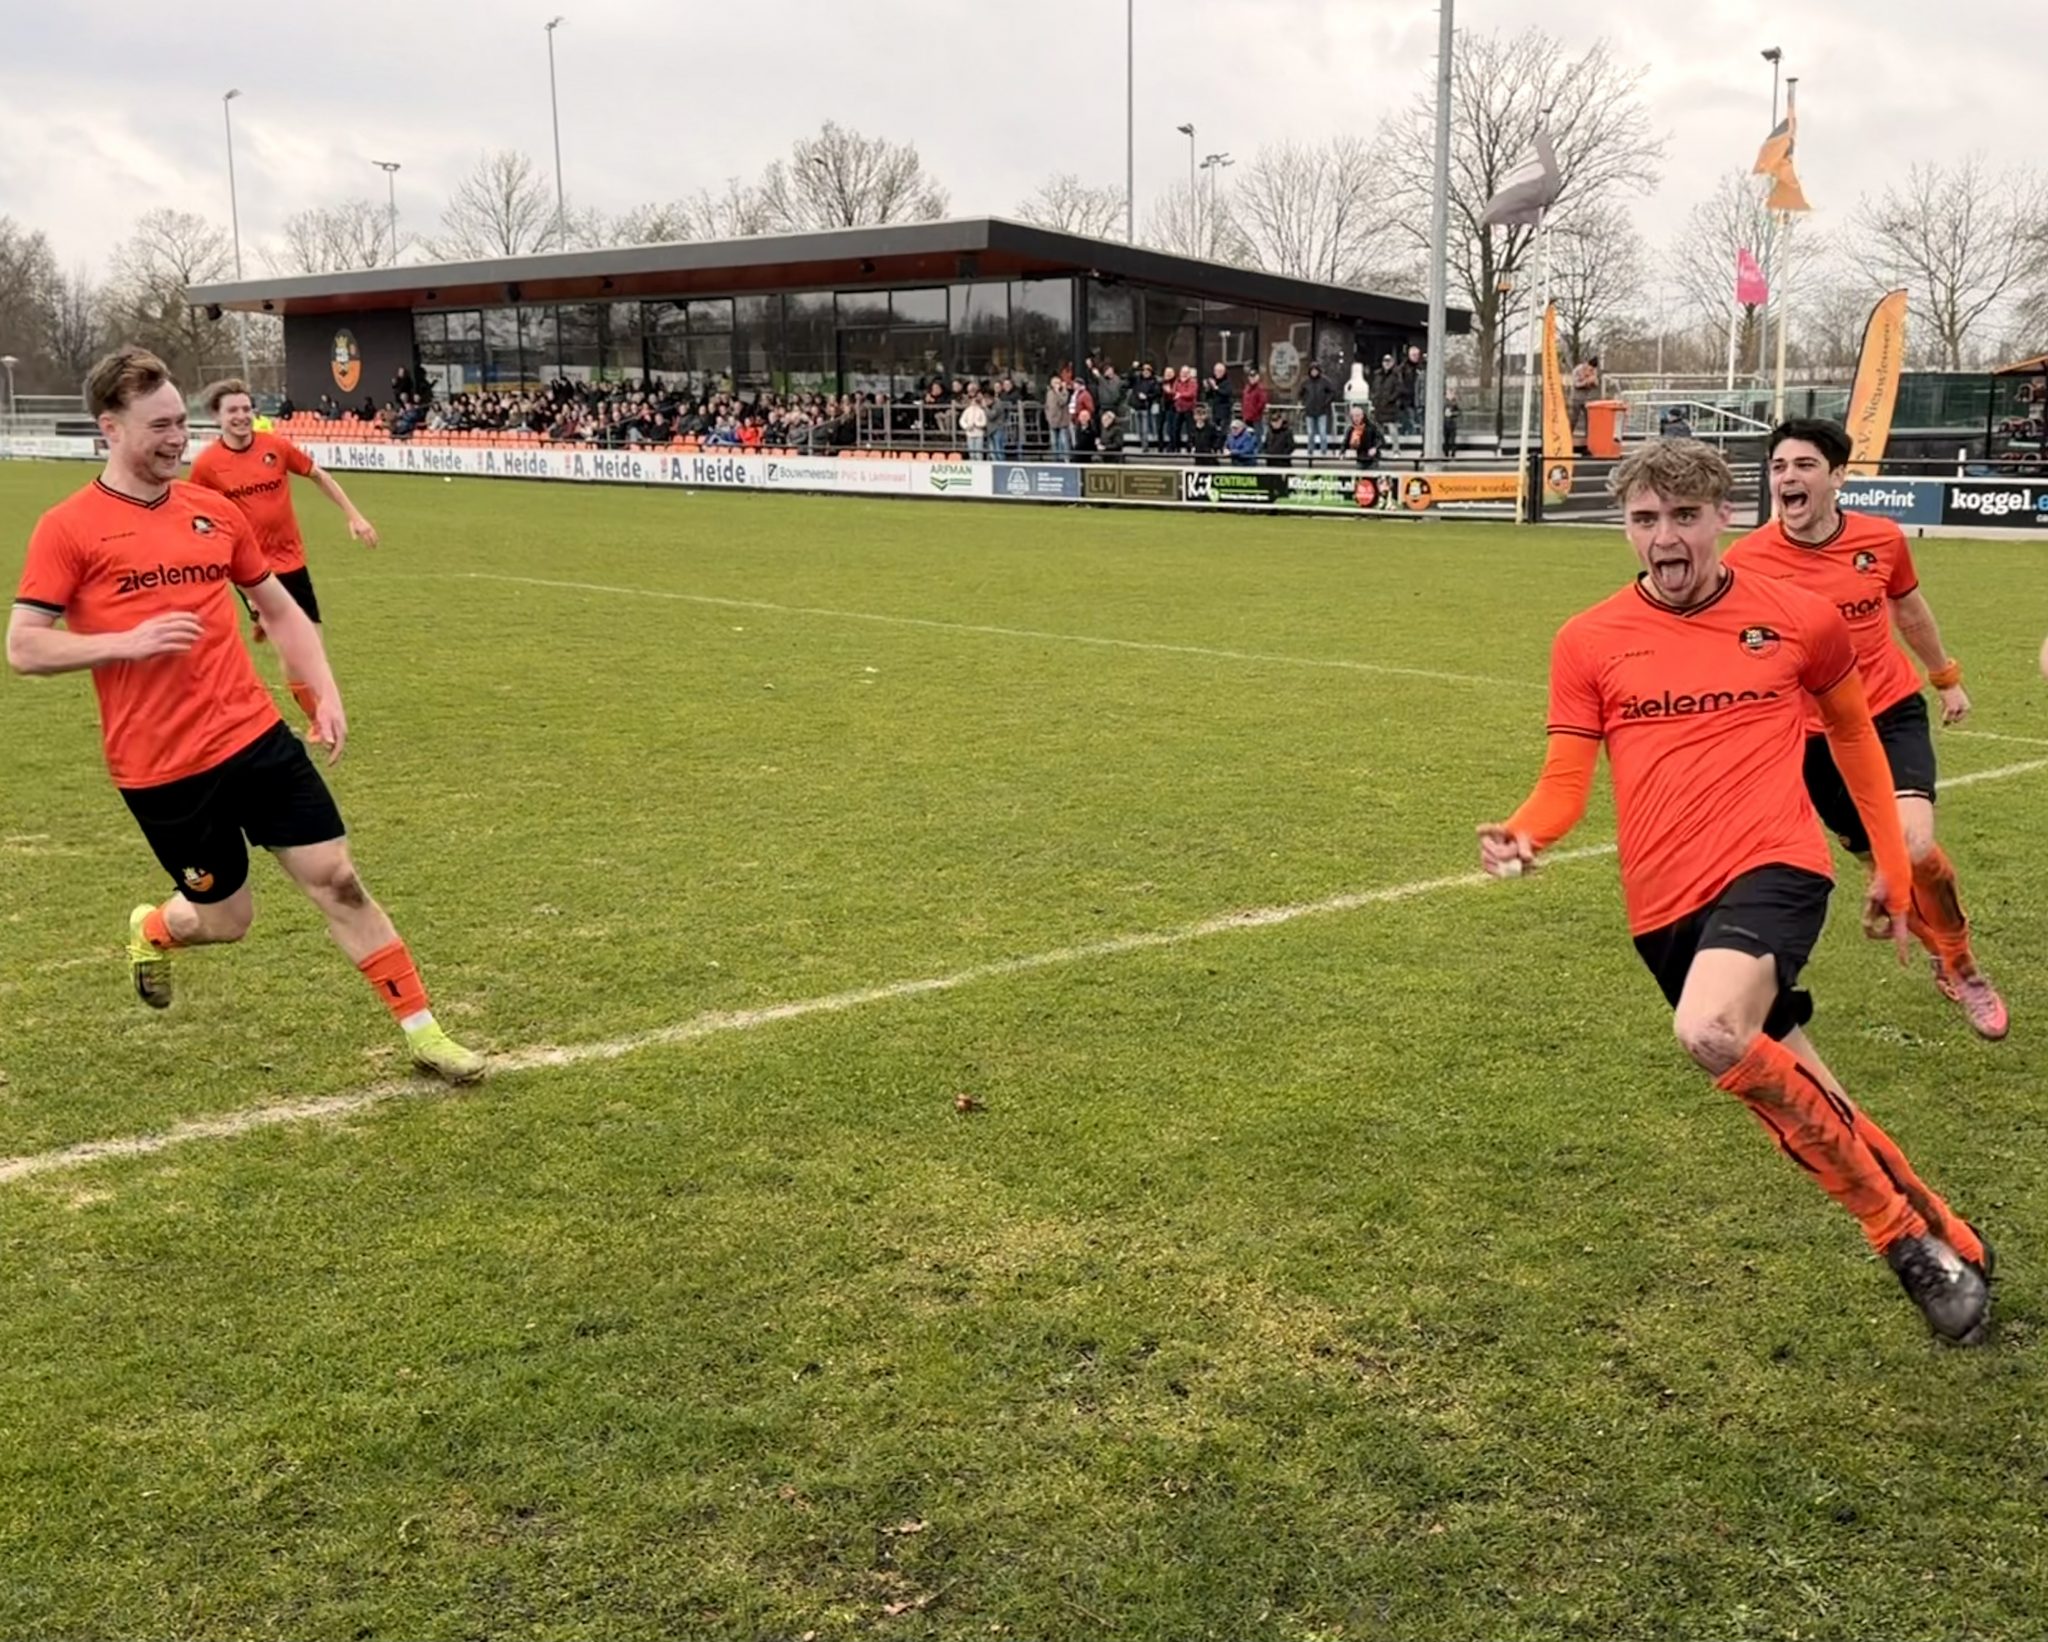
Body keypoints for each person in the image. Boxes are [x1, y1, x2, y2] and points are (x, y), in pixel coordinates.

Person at [1476, 439, 1991, 1346]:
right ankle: (1950, 1231)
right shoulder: (1587, 639)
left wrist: (1890, 861)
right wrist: (1528, 831)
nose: (1664, 537)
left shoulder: (1798, 618)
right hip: (1663, 901)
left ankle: (1900, 1240)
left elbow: (1857, 742)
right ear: (1625, 527)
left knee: (1710, 1030)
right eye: (1645, 519)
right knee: (1805, 1090)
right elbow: (1565, 778)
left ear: (1721, 518)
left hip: (1776, 862)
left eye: (1683, 517)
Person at [7, 347, 484, 1085]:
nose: (177, 439)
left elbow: (279, 610)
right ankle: (155, 927)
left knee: (339, 879)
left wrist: (322, 690)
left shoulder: (212, 512)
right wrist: (125, 642)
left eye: (181, 423)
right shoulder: (68, 528)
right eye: (159, 426)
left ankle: (424, 1032)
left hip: (252, 735)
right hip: (160, 767)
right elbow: (25, 647)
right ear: (110, 428)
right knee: (228, 921)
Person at [1724, 417, 2008, 1038]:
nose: (1788, 478)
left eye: (1803, 466)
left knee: (1911, 849)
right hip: (1812, 740)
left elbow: (1908, 609)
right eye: (1778, 467)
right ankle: (1942, 952)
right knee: (1878, 863)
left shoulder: (1880, 539)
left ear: (1838, 476)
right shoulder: (1746, 561)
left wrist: (1945, 676)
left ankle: (1961, 963)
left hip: (1887, 711)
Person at [188, 379, 380, 737]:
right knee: (294, 654)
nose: (242, 416)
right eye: (233, 410)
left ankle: (271, 625)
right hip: (253, 572)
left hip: (293, 563)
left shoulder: (275, 447)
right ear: (218, 416)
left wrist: (355, 515)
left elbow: (319, 475)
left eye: (246, 409)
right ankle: (316, 720)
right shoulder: (207, 466)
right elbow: (196, 517)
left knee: (313, 647)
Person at [1299, 362, 1336, 459]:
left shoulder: (1325, 381)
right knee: (1310, 433)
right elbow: (1300, 393)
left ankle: (1323, 451)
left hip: (1322, 411)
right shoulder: (1305, 382)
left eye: (1315, 370)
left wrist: (1326, 402)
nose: (1314, 372)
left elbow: (1332, 392)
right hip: (1309, 411)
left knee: (1322, 433)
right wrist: (1304, 403)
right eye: (1312, 370)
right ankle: (1310, 451)